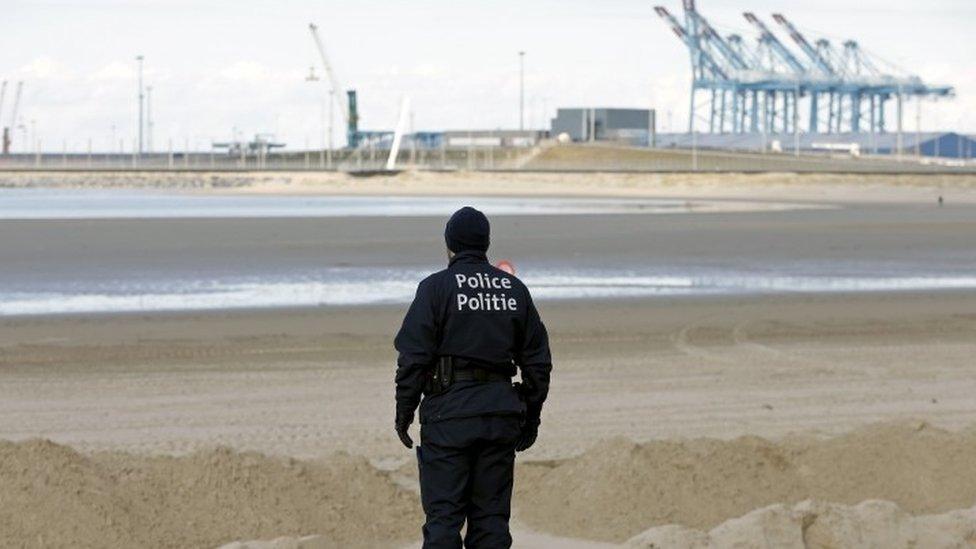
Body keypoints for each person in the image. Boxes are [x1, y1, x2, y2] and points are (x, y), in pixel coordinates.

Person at [394, 206, 552, 549]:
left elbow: (413, 359)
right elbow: (538, 362)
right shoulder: (514, 289)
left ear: (449, 245)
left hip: (448, 417)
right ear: (486, 244)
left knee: (444, 520)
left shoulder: (435, 289)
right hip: (499, 416)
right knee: (491, 522)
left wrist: (404, 412)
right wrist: (530, 416)